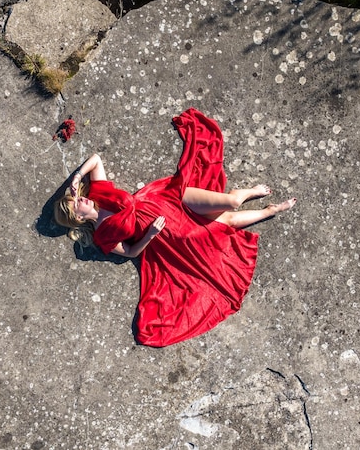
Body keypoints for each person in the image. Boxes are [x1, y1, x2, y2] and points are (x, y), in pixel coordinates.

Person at [54, 108, 296, 347]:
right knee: (225, 224)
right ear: (78, 218)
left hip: (167, 199)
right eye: (77, 205)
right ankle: (268, 211)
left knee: (231, 202)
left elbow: (95, 159)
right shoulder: (102, 236)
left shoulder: (98, 192)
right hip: (166, 232)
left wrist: (76, 178)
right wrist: (150, 234)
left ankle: (249, 192)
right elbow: (130, 252)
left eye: (77, 198)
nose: (81, 199)